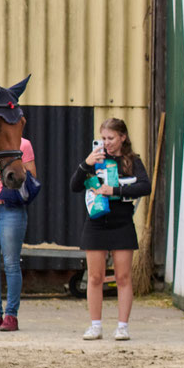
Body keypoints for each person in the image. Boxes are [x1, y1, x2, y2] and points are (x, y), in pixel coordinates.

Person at [79, 116, 149, 341]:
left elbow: (144, 186)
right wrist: (86, 163)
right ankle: (95, 325)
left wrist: (115, 191)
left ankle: (122, 326)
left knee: (123, 276)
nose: (106, 142)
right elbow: (74, 185)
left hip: (121, 223)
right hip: (96, 223)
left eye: (111, 138)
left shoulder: (132, 161)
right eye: (103, 138)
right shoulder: (96, 159)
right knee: (95, 276)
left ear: (122, 137)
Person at [0, 126, 36, 333]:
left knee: (11, 262)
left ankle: (11, 315)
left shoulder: (24, 145)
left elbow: (30, 176)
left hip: (11, 208)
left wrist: (9, 169)